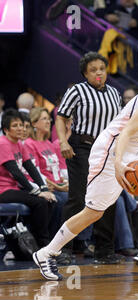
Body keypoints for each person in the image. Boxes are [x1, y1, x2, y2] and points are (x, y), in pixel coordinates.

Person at [33, 50, 138, 281]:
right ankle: (46, 253)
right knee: (92, 212)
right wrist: (119, 164)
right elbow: (125, 132)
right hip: (111, 150)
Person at [53, 52, 123, 265]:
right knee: (79, 197)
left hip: (107, 149)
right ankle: (63, 249)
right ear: (85, 73)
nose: (98, 73)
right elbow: (61, 117)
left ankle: (104, 251)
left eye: (101, 68)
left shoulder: (114, 93)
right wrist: (63, 141)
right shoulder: (76, 91)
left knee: (109, 198)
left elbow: (120, 123)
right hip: (82, 147)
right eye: (93, 70)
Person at [0, 110, 57, 248]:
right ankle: (43, 244)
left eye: (21, 125)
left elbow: (30, 167)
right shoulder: (3, 144)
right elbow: (16, 173)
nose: (20, 128)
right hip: (3, 191)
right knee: (40, 202)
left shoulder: (19, 144)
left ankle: (35, 240)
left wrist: (43, 187)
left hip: (14, 188)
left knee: (50, 200)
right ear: (6, 130)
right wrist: (37, 192)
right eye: (15, 125)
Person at [26, 108, 69, 238]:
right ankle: (54, 240)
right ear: (34, 123)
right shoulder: (29, 144)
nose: (48, 122)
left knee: (79, 198)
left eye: (48, 119)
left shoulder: (48, 144)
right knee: (62, 200)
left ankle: (79, 242)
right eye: (44, 119)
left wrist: (64, 183)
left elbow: (56, 169)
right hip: (45, 186)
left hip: (57, 185)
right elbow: (36, 173)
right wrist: (58, 187)